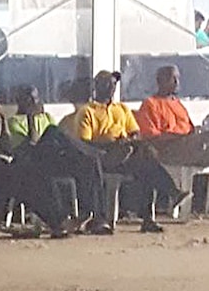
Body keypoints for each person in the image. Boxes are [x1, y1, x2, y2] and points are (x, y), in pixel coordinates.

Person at [75, 71, 189, 233]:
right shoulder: (88, 111)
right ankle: (171, 192)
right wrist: (112, 144)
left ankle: (149, 217)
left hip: (126, 152)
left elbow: (134, 131)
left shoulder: (121, 109)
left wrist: (129, 140)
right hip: (102, 154)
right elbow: (84, 142)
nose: (111, 87)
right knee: (142, 155)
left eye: (114, 84)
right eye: (107, 83)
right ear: (96, 86)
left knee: (145, 162)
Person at [7, 85, 105, 235]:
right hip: (31, 158)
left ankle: (97, 219)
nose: (35, 101)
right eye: (30, 99)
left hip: (52, 158)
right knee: (53, 131)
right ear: (19, 101)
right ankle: (94, 152)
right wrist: (31, 118)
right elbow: (30, 145)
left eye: (36, 98)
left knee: (88, 162)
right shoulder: (14, 121)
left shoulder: (46, 117)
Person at [136, 65, 209, 166]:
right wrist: (179, 137)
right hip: (168, 151)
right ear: (160, 81)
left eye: (177, 78)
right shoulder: (150, 104)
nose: (176, 82)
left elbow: (191, 130)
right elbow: (151, 138)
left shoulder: (178, 104)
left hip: (189, 146)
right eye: (172, 78)